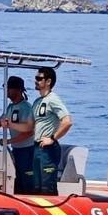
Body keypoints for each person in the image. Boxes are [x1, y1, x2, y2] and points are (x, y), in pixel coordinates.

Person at [0, 75, 35, 193]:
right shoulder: (10, 107)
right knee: (16, 179)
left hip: (27, 151)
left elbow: (29, 132)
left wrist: (8, 141)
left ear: (18, 90)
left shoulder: (26, 108)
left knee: (25, 181)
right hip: (16, 150)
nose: (6, 91)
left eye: (9, 88)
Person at [31, 66, 73, 196]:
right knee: (36, 185)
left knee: (47, 185)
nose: (36, 81)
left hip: (48, 149)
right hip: (36, 147)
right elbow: (32, 125)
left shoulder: (53, 99)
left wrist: (52, 138)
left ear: (48, 81)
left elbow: (67, 121)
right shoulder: (37, 102)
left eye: (39, 78)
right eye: (35, 78)